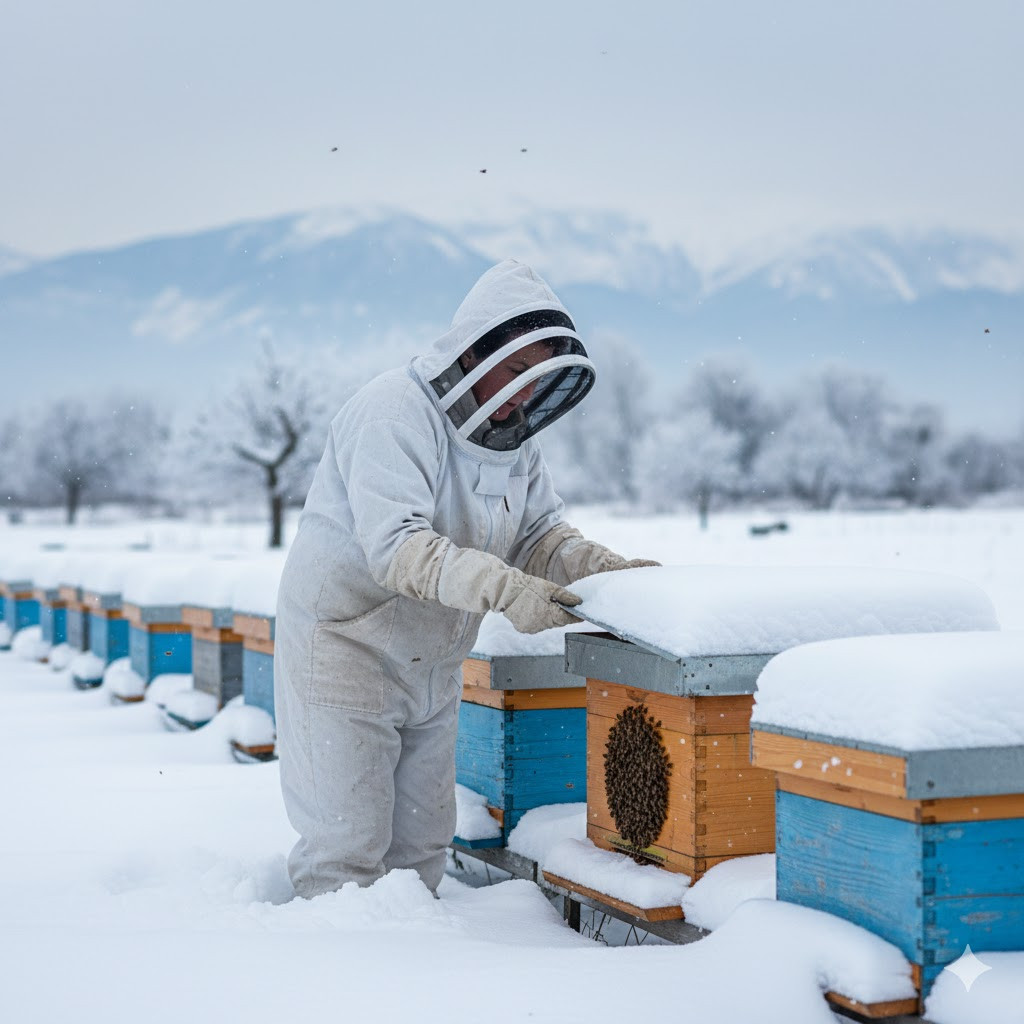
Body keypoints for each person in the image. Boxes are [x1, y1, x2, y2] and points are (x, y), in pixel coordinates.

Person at [274, 259, 658, 898]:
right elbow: (397, 549)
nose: (522, 394)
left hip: (433, 662)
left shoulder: (515, 443)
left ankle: (419, 985)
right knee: (345, 850)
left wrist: (611, 574)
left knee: (422, 849)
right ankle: (331, 984)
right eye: (513, 371)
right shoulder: (392, 411)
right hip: (346, 652)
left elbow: (541, 537)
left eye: (535, 378)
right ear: (476, 352)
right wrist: (506, 590)